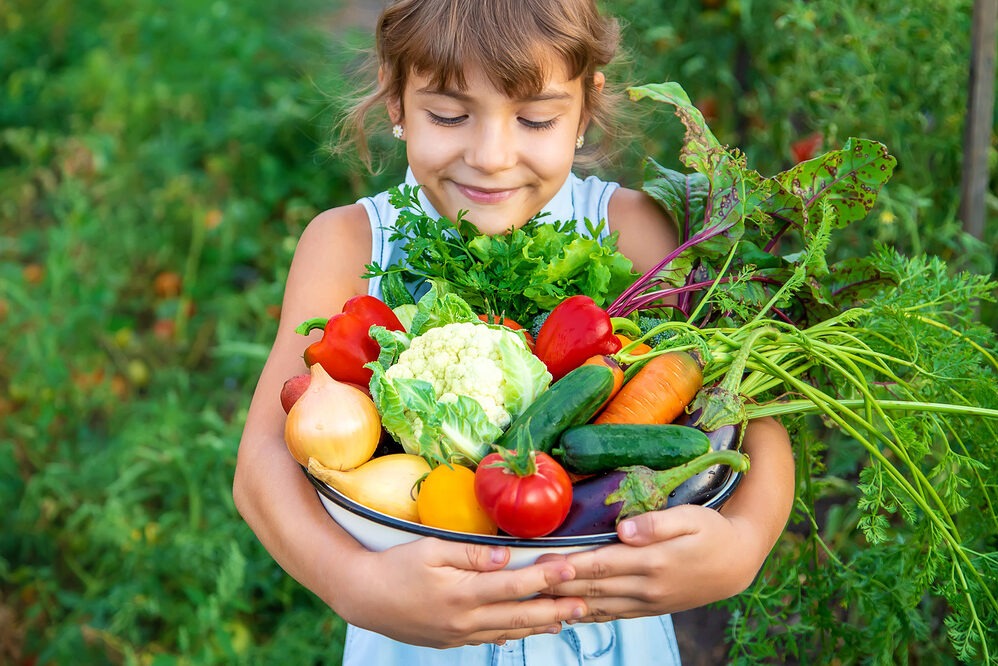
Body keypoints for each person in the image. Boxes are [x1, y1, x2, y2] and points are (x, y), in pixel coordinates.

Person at [233, 0, 796, 663]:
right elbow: (261, 466)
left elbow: (755, 425)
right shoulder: (350, 244)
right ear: (395, 98)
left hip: (604, 639)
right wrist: (354, 583)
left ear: (585, 108)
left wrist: (744, 543)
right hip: (416, 638)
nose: (491, 157)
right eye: (448, 115)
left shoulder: (638, 233)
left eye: (534, 118)